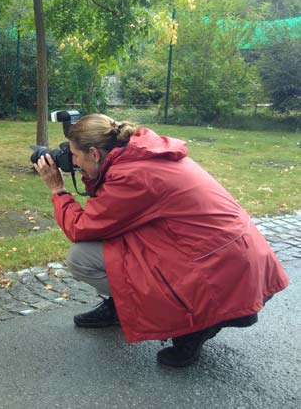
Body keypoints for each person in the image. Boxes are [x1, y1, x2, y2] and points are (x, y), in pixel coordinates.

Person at [33, 113, 289, 367]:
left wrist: (58, 190)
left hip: (222, 268)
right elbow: (111, 213)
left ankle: (195, 325)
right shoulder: (139, 154)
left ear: (94, 153)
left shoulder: (132, 175)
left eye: (75, 156)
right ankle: (121, 305)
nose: (73, 162)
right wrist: (91, 172)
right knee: (118, 242)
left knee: (81, 258)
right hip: (232, 254)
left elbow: (81, 228)